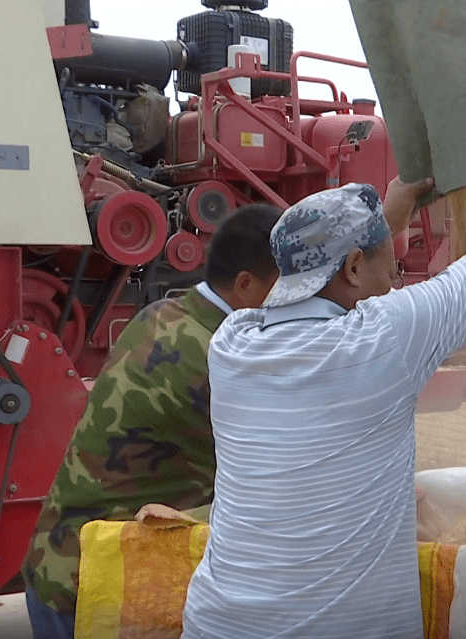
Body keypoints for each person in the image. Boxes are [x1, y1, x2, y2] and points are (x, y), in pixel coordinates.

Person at [179, 114, 466, 639]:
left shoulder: (233, 342)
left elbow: (318, 275)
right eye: (389, 271)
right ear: (351, 269)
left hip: (217, 623)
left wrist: (387, 214)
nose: (395, 284)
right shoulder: (382, 339)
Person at [21, 202, 283, 639]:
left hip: (59, 566)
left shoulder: (162, 316)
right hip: (101, 589)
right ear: (245, 284)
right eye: (291, 288)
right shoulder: (220, 361)